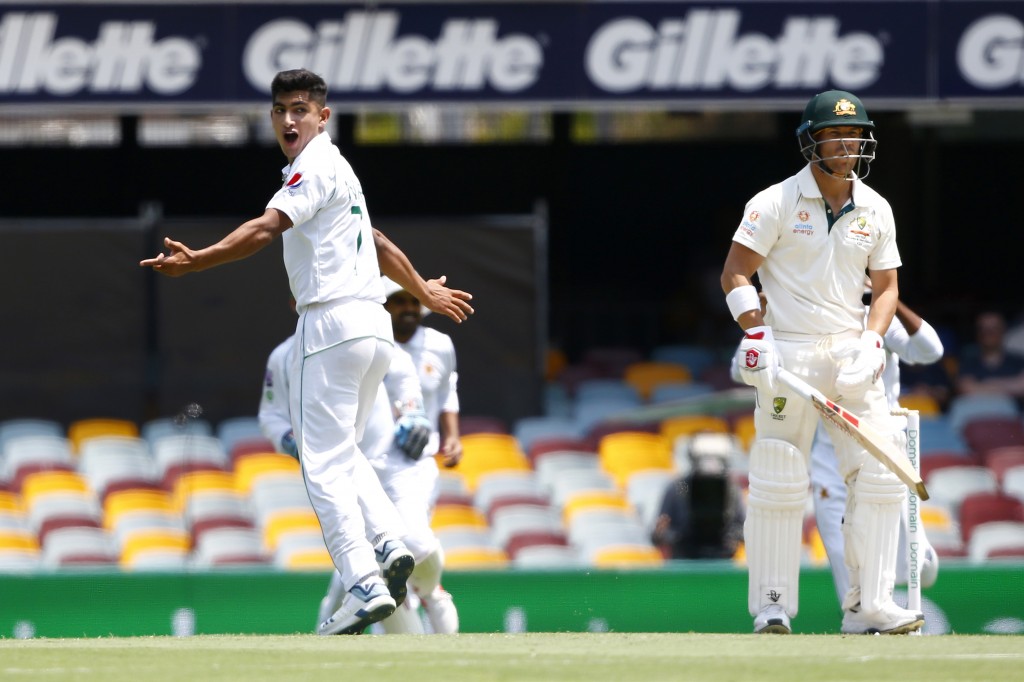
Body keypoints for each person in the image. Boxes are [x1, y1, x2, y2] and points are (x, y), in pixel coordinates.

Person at [140, 68, 474, 636]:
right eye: (281, 110)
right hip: (374, 329)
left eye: (301, 108)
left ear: (323, 116)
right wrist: (422, 290)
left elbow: (267, 228)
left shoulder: (312, 167)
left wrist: (200, 259)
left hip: (332, 324)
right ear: (272, 118)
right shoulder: (340, 167)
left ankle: (365, 584)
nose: (290, 118)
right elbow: (379, 243)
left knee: (321, 467)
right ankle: (390, 545)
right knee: (344, 454)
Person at [720, 89, 923, 635]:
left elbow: (885, 290)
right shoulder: (775, 202)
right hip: (789, 354)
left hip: (851, 354)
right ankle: (772, 606)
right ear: (811, 141)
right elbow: (735, 273)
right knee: (779, 475)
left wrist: (873, 342)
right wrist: (756, 334)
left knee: (879, 475)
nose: (847, 143)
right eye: (835, 134)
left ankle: (870, 606)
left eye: (854, 134)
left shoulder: (876, 208)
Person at [810, 293, 944, 606]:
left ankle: (918, 555)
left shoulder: (877, 315)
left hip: (884, 449)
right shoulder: (807, 315)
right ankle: (861, 619)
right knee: (845, 559)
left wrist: (889, 299)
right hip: (831, 454)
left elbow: (931, 351)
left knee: (917, 568)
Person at [650, 432, 745, 560]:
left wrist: (732, 536)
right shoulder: (680, 487)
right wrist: (678, 536)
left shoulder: (732, 489)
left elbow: (744, 530)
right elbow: (658, 534)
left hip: (722, 563)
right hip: (685, 563)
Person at [955, 310, 1024, 405]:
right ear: (977, 333)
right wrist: (1011, 386)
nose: (989, 333)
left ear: (1003, 331)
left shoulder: (1018, 361)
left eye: (994, 328)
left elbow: (1022, 387)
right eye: (984, 329)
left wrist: (985, 384)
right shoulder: (969, 362)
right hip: (977, 414)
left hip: (1013, 417)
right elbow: (966, 388)